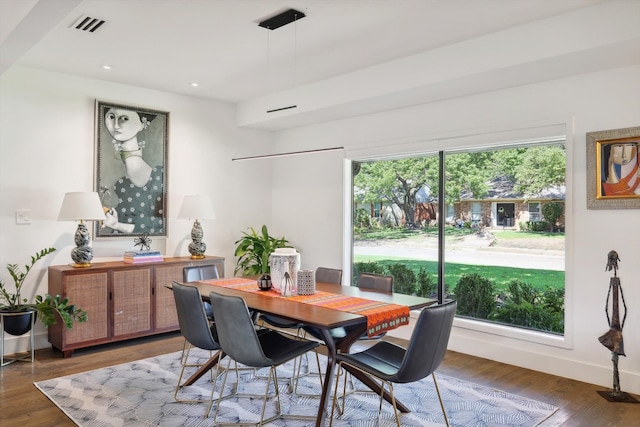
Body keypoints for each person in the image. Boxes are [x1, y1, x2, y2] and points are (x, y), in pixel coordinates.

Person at [100, 107, 164, 235]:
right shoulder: (110, 175)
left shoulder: (159, 176)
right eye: (111, 117)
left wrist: (118, 225)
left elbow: (158, 225)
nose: (116, 125)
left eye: (124, 119)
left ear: (142, 124)